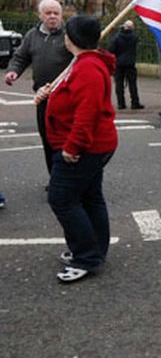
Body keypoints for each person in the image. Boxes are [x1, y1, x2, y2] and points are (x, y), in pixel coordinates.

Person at [36, 15, 118, 284]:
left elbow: (87, 112)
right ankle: (94, 250)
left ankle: (86, 256)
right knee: (90, 197)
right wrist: (49, 94)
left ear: (72, 39)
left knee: (61, 198)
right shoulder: (82, 63)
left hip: (84, 147)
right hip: (91, 145)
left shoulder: (88, 68)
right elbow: (73, 97)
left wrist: (74, 147)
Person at [4, 0, 74, 174]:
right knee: (48, 139)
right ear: (40, 15)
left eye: (56, 13)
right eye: (48, 13)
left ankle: (69, 177)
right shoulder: (32, 35)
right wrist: (13, 71)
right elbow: (20, 57)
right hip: (43, 98)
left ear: (61, 14)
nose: (52, 17)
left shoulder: (69, 35)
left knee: (67, 139)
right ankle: (54, 176)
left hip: (66, 98)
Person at [107, 19, 143, 110]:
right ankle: (135, 102)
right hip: (130, 63)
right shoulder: (134, 37)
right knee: (132, 84)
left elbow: (111, 49)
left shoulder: (117, 37)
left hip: (119, 63)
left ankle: (121, 103)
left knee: (119, 84)